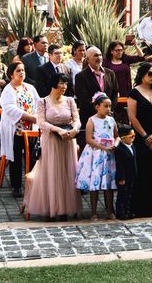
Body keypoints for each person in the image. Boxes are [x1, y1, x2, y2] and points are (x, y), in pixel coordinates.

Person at [25, 72, 82, 219]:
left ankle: (65, 208)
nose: (64, 87)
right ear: (53, 84)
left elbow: (76, 119)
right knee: (52, 173)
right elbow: (41, 122)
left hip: (68, 140)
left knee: (67, 172)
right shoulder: (43, 102)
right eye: (61, 83)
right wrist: (57, 130)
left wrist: (74, 130)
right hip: (51, 140)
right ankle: (51, 208)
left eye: (66, 84)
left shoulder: (70, 101)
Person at [128, 63, 152, 217]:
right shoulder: (134, 93)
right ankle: (142, 208)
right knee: (143, 171)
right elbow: (132, 116)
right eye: (149, 74)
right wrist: (145, 135)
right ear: (142, 75)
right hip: (141, 137)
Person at [0, 62, 40, 197]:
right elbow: (10, 109)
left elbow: (38, 104)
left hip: (31, 128)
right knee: (16, 157)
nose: (21, 73)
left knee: (33, 155)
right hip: (15, 129)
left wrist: (36, 117)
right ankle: (16, 186)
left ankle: (32, 182)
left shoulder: (29, 87)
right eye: (18, 71)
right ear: (11, 74)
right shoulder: (8, 90)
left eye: (23, 70)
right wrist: (31, 117)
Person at [76, 92, 117, 220]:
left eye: (110, 106)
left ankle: (110, 210)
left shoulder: (111, 120)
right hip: (96, 153)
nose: (108, 109)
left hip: (109, 154)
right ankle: (94, 212)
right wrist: (102, 147)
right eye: (106, 106)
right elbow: (88, 139)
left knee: (108, 183)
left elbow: (116, 136)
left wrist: (115, 144)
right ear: (97, 106)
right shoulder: (92, 120)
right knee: (95, 183)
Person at [74, 46, 119, 150]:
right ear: (87, 59)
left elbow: (115, 93)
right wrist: (100, 112)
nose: (98, 57)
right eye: (95, 55)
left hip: (107, 119)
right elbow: (83, 99)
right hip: (90, 119)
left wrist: (109, 109)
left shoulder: (110, 73)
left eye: (99, 55)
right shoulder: (81, 76)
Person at [114, 124, 137, 220]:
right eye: (131, 136)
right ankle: (120, 212)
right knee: (122, 196)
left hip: (131, 175)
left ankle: (128, 211)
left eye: (134, 135)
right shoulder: (120, 149)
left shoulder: (132, 146)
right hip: (124, 177)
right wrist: (121, 178)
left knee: (129, 195)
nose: (133, 138)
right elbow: (120, 166)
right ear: (123, 138)